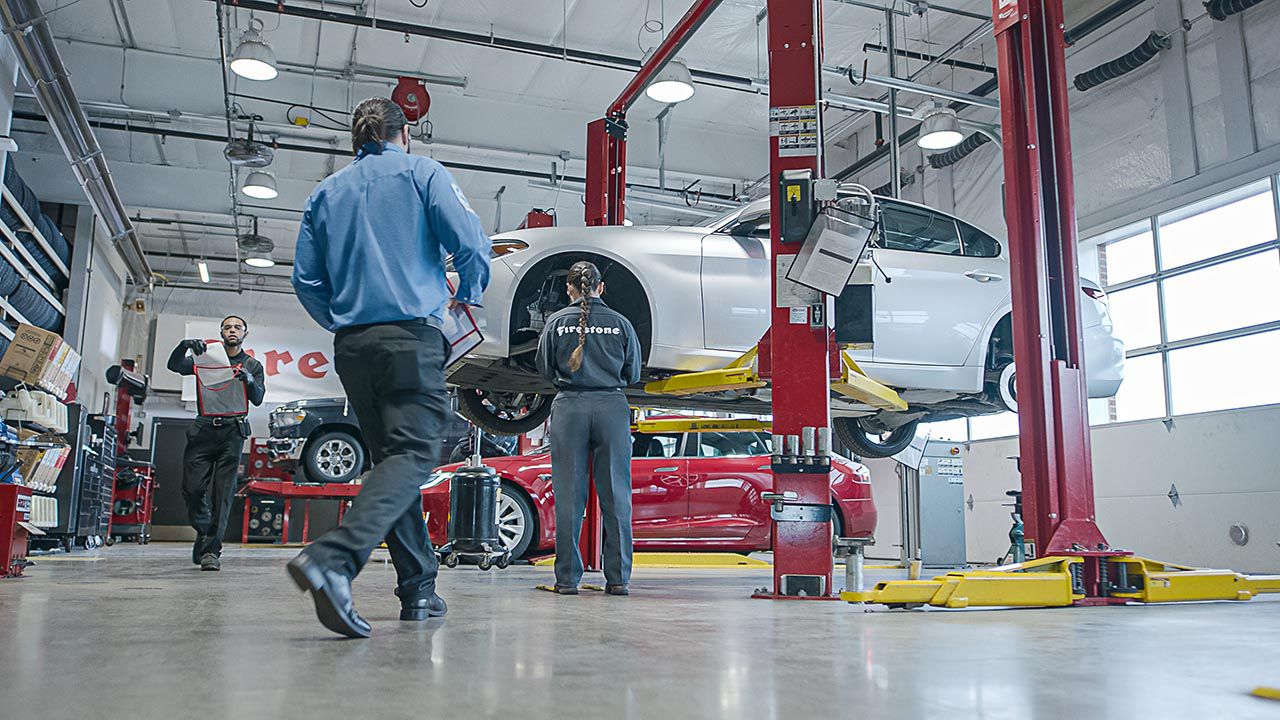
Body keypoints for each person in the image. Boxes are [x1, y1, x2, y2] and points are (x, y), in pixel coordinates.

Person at [287, 96, 491, 638]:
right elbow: (471, 246)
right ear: (406, 135)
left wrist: (344, 319)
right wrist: (466, 296)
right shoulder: (423, 173)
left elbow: (305, 281)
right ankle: (334, 557)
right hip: (410, 339)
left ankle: (418, 588)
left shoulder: (325, 193)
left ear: (357, 142)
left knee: (390, 466)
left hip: (354, 347)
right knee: (415, 454)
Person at [535, 261, 642, 595]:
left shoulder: (555, 322)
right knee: (617, 496)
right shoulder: (621, 324)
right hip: (611, 407)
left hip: (570, 407)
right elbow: (633, 372)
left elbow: (544, 368)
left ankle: (567, 580)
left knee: (569, 498)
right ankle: (618, 580)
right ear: (601, 288)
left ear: (569, 288)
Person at [167, 315, 265, 571]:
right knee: (192, 489)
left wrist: (250, 381)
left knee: (223, 494)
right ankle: (204, 529)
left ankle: (212, 550)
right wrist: (183, 345)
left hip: (232, 434)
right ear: (221, 332)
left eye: (237, 327)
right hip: (203, 431)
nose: (232, 330)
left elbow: (258, 399)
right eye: (227, 327)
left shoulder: (252, 365)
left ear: (245, 333)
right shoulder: (205, 358)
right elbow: (174, 365)